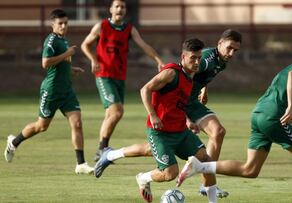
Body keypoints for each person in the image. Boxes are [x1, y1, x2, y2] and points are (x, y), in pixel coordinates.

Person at [93, 29, 242, 198]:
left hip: (181, 116)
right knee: (170, 170)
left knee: (202, 157)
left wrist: (202, 90)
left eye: (235, 50)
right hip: (168, 119)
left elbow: (196, 76)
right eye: (229, 48)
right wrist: (157, 115)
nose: (232, 53)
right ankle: (141, 176)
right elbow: (147, 89)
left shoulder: (209, 65)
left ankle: (111, 154)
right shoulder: (188, 67)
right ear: (220, 44)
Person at [176, 38, 292, 203]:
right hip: (274, 118)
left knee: (250, 170)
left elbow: (291, 74)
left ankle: (199, 166)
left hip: (258, 114)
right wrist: (290, 107)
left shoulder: (288, 67)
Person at [3, 9, 94, 174]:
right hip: (51, 91)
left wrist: (70, 69)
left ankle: (80, 164)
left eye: (66, 23)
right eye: (60, 23)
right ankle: (13, 142)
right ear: (53, 24)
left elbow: (58, 64)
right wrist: (67, 54)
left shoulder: (63, 40)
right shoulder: (51, 40)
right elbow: (45, 63)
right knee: (41, 126)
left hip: (66, 90)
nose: (64, 26)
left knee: (77, 124)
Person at [81, 0, 164, 161]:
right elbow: (85, 45)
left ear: (125, 10)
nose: (120, 9)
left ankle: (101, 150)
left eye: (123, 7)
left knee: (110, 115)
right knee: (117, 112)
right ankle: (102, 150)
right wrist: (93, 59)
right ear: (111, 9)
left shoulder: (129, 29)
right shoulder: (101, 26)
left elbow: (144, 45)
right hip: (104, 75)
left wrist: (158, 60)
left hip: (119, 77)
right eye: (117, 6)